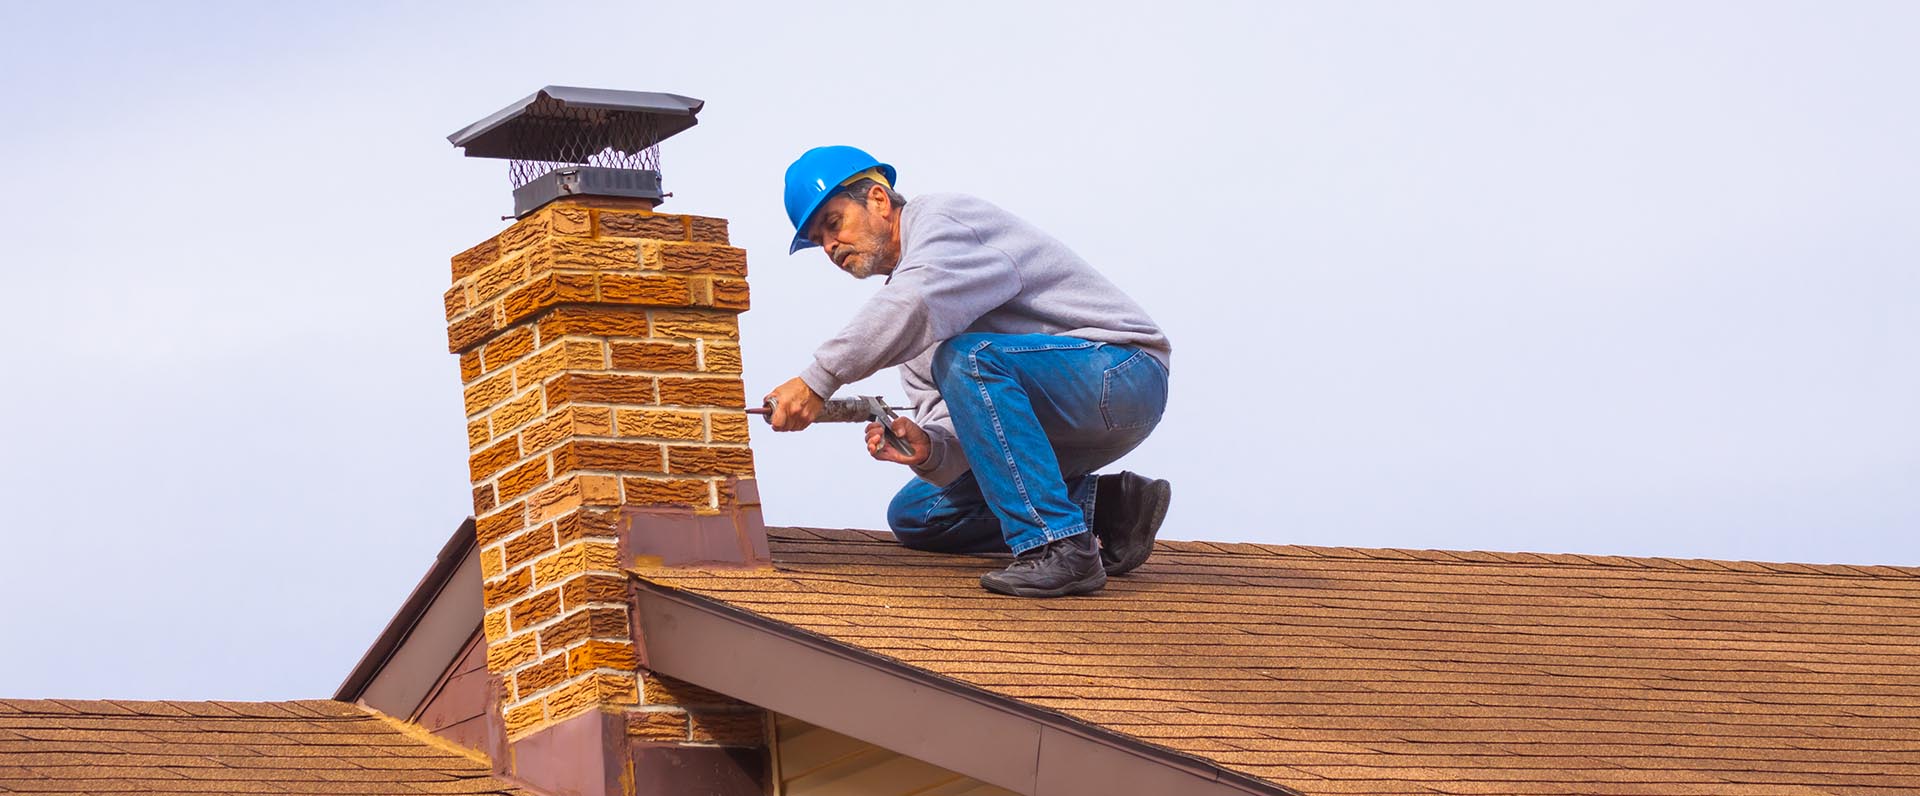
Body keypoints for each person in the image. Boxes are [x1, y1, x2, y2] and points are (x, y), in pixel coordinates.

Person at [763, 146, 1173, 598]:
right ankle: (1110, 510)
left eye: (833, 224)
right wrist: (931, 450)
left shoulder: (944, 221)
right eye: (819, 241)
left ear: (878, 200)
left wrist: (816, 381)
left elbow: (916, 301)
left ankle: (1060, 547)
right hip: (1058, 425)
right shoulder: (912, 327)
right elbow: (966, 429)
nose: (830, 246)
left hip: (1122, 374)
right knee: (920, 513)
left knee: (969, 358)